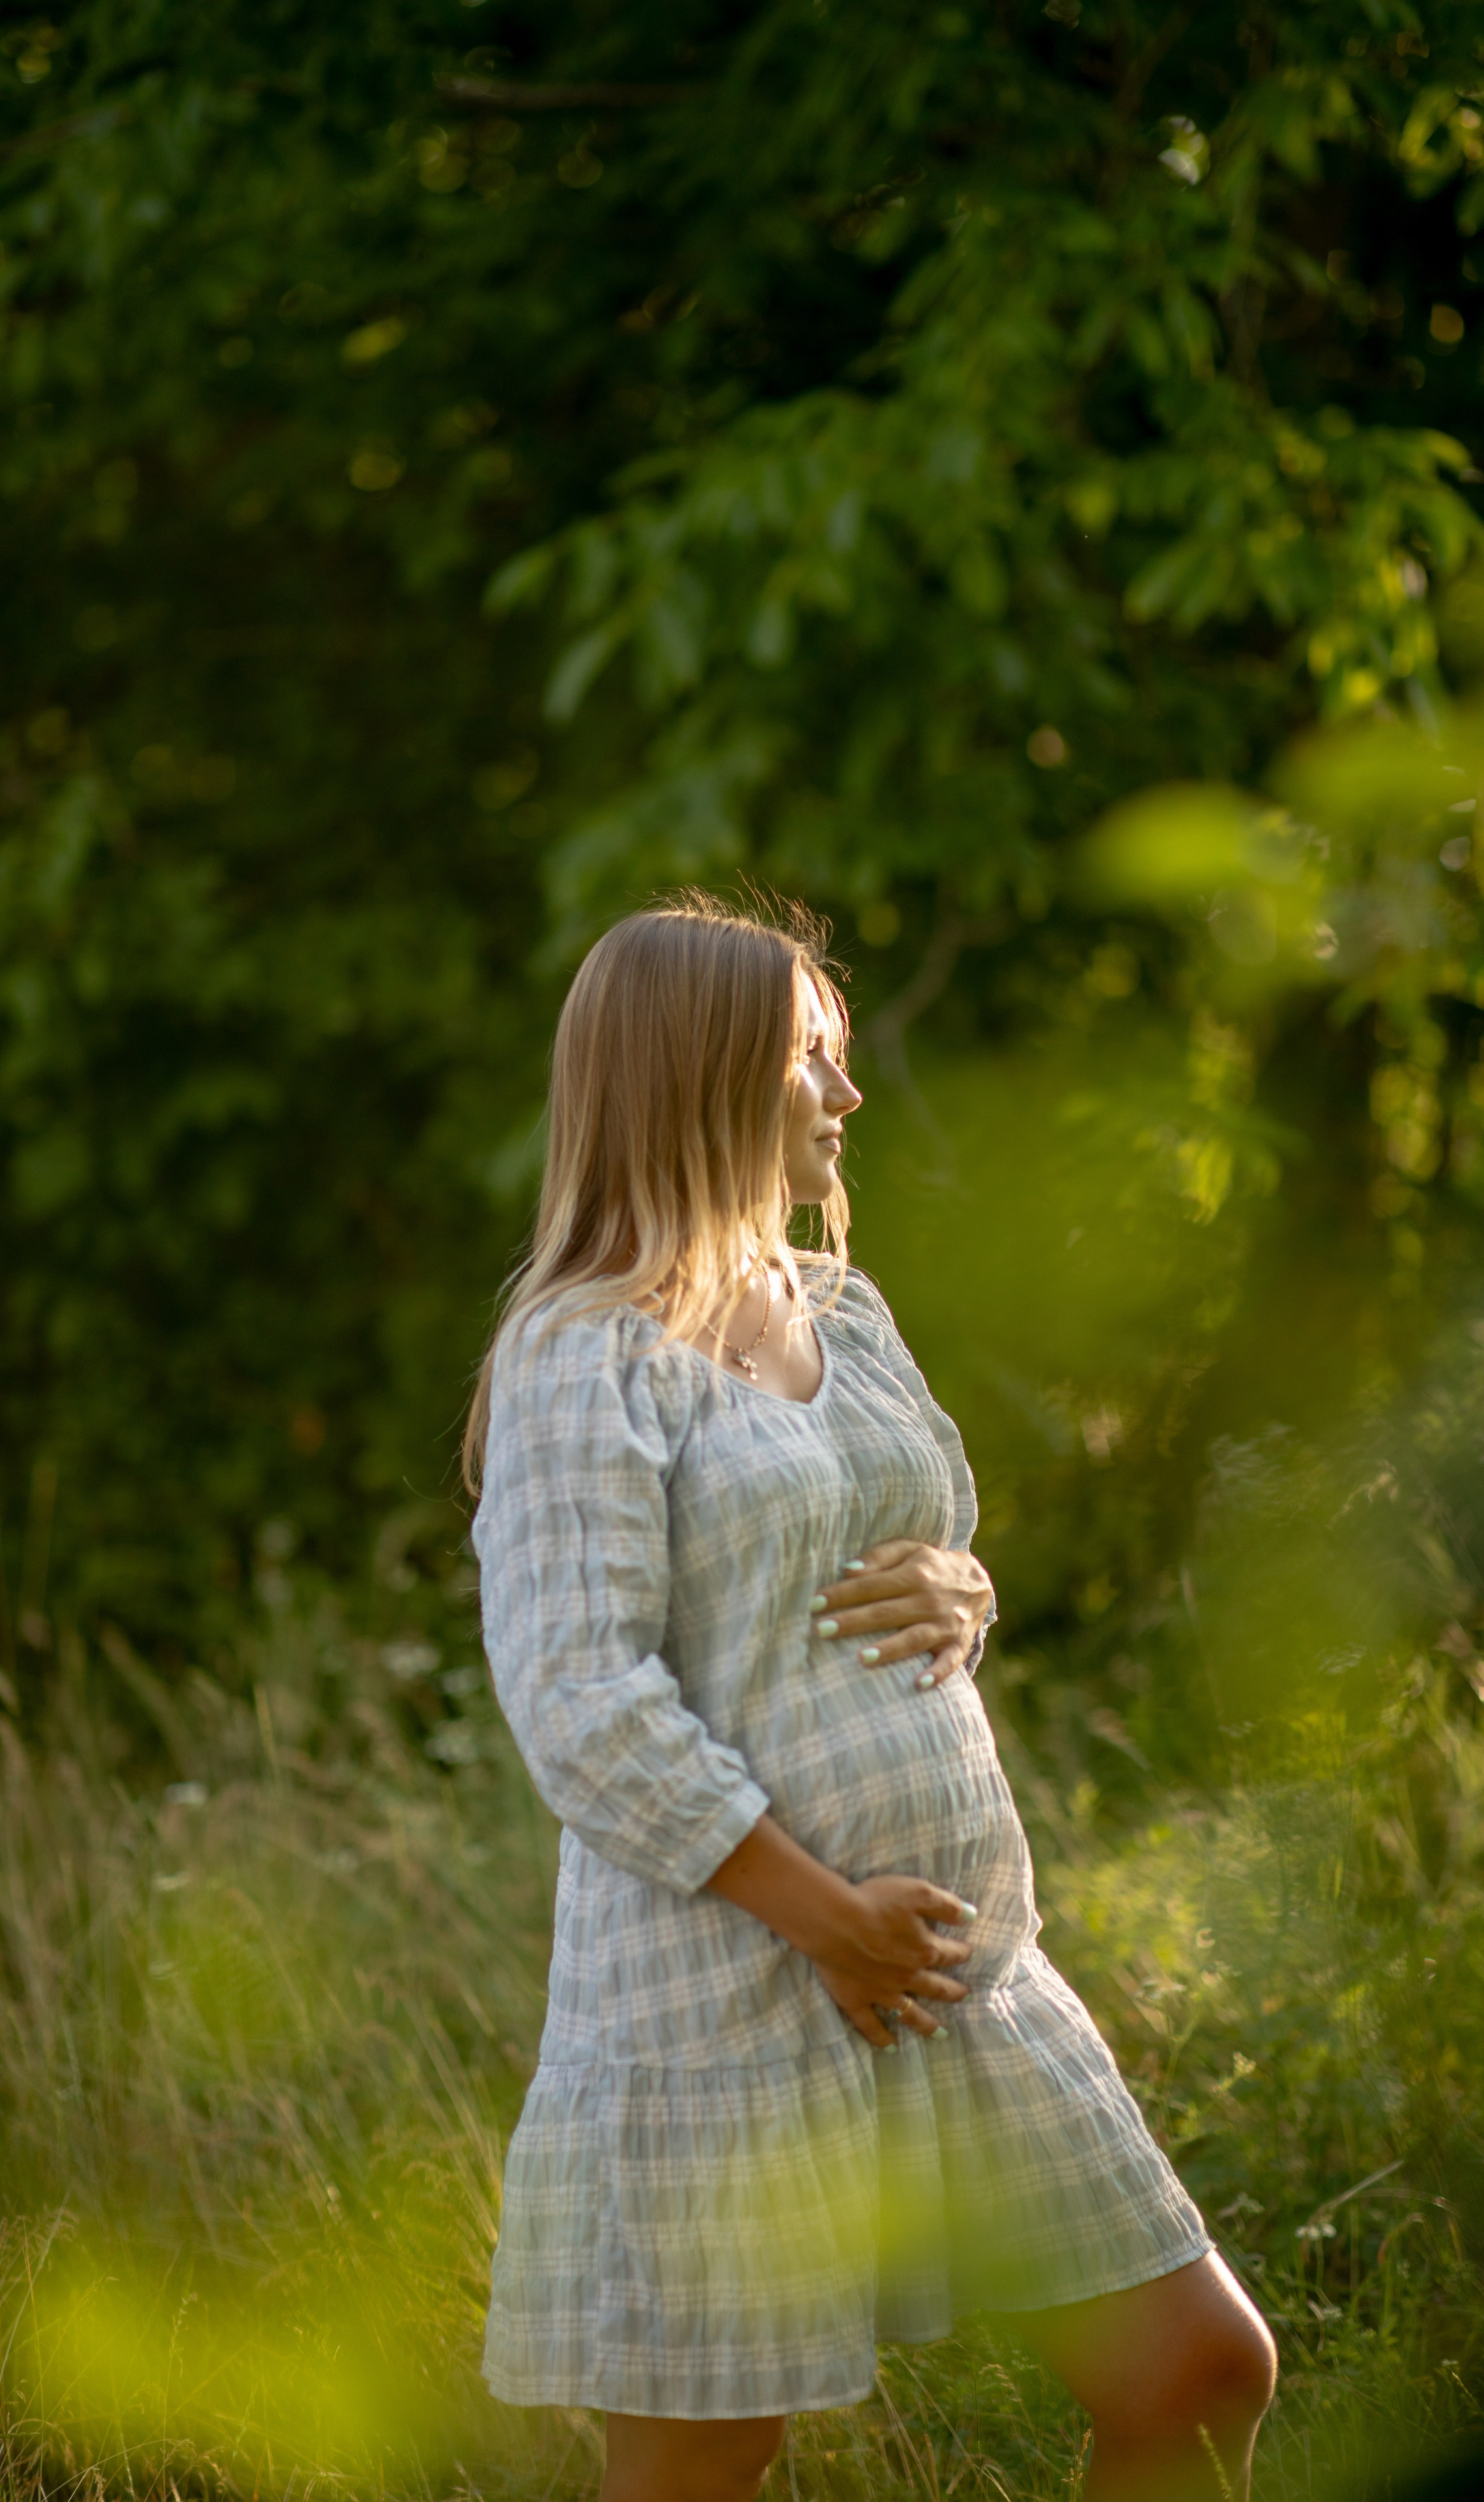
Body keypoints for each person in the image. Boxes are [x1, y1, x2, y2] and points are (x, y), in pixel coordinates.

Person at [466, 895, 1276, 2502]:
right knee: (703, 2468)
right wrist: (825, 1915)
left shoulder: (841, 1310)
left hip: (960, 1963)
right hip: (729, 1990)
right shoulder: (583, 1356)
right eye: (805, 1063)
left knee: (1197, 2371)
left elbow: (923, 1542)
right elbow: (577, 1697)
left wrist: (967, 1593)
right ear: (700, 1081)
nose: (843, 1100)